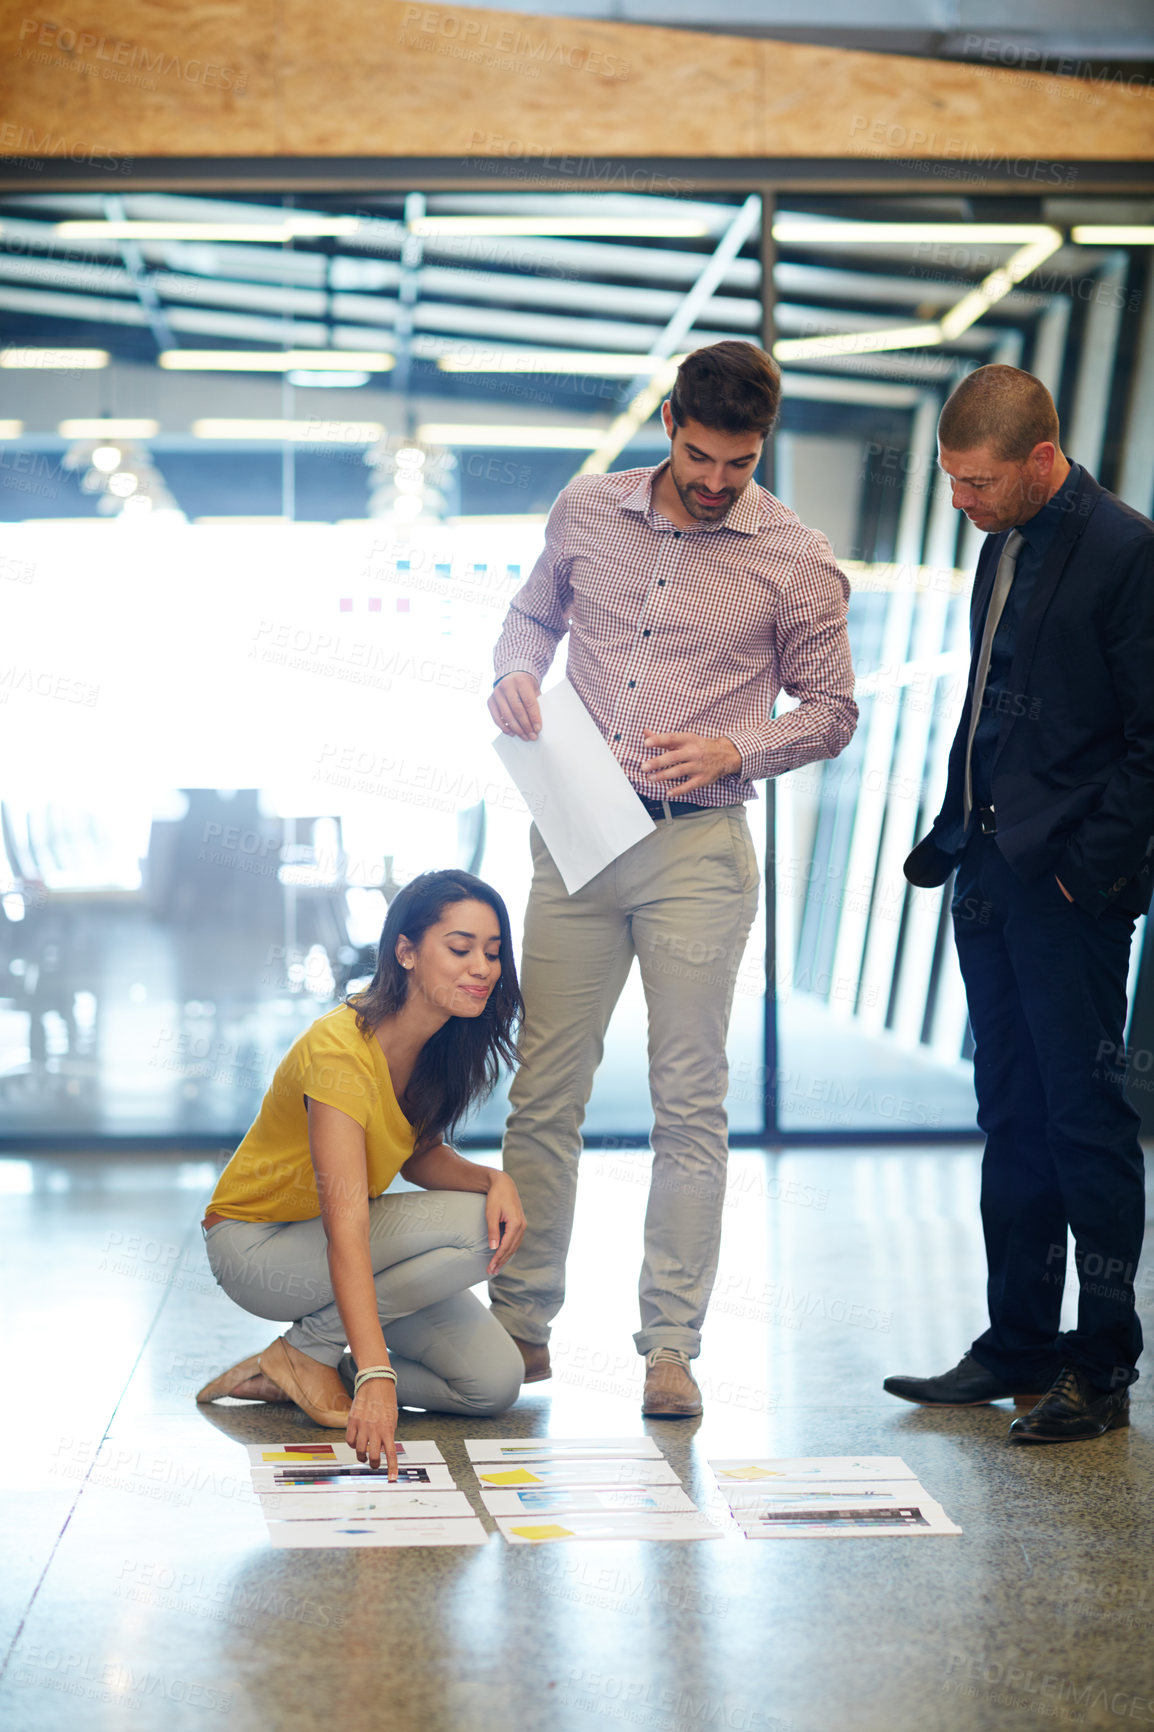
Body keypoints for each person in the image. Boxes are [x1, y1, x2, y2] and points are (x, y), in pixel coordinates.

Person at [487, 340, 858, 1417]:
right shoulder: (584, 511)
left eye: (737, 463)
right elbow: (530, 616)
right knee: (545, 1087)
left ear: (761, 448)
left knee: (687, 1100)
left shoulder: (794, 557)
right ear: (666, 423)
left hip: (696, 850)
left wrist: (736, 748)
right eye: (699, 455)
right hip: (573, 836)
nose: (713, 480)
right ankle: (520, 1325)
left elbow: (830, 711)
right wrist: (515, 668)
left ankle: (668, 1346)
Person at [887, 364, 1154, 1443]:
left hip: (1068, 894)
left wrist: (1079, 871)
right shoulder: (999, 541)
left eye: (979, 483)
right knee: (1008, 1117)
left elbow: (1147, 743)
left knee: (1083, 1121)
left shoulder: (1128, 552)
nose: (962, 503)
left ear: (1042, 460)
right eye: (950, 483)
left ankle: (1100, 1367)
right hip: (989, 878)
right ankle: (1016, 1341)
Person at [196, 870, 527, 1477]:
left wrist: (491, 1179)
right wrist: (379, 1373)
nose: (482, 967)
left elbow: (418, 1154)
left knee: (493, 1385)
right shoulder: (340, 1050)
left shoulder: (436, 1042)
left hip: (328, 1248)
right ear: (405, 952)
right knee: (475, 1229)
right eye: (460, 949)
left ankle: (301, 1364)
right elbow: (345, 1223)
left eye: (493, 951)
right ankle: (313, 1350)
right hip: (256, 1247)